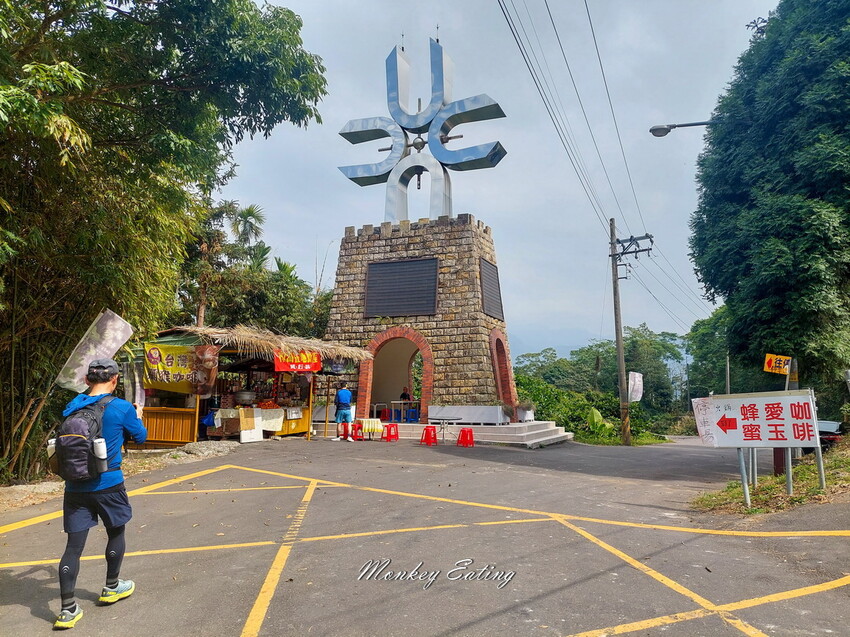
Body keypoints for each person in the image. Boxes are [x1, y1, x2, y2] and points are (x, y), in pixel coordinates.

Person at [53, 358, 147, 629]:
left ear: (86, 380)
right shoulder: (122, 407)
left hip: (75, 486)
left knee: (73, 547)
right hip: (109, 484)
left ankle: (67, 610)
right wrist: (137, 417)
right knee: (116, 532)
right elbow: (140, 438)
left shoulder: (72, 407)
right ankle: (112, 586)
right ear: (115, 380)